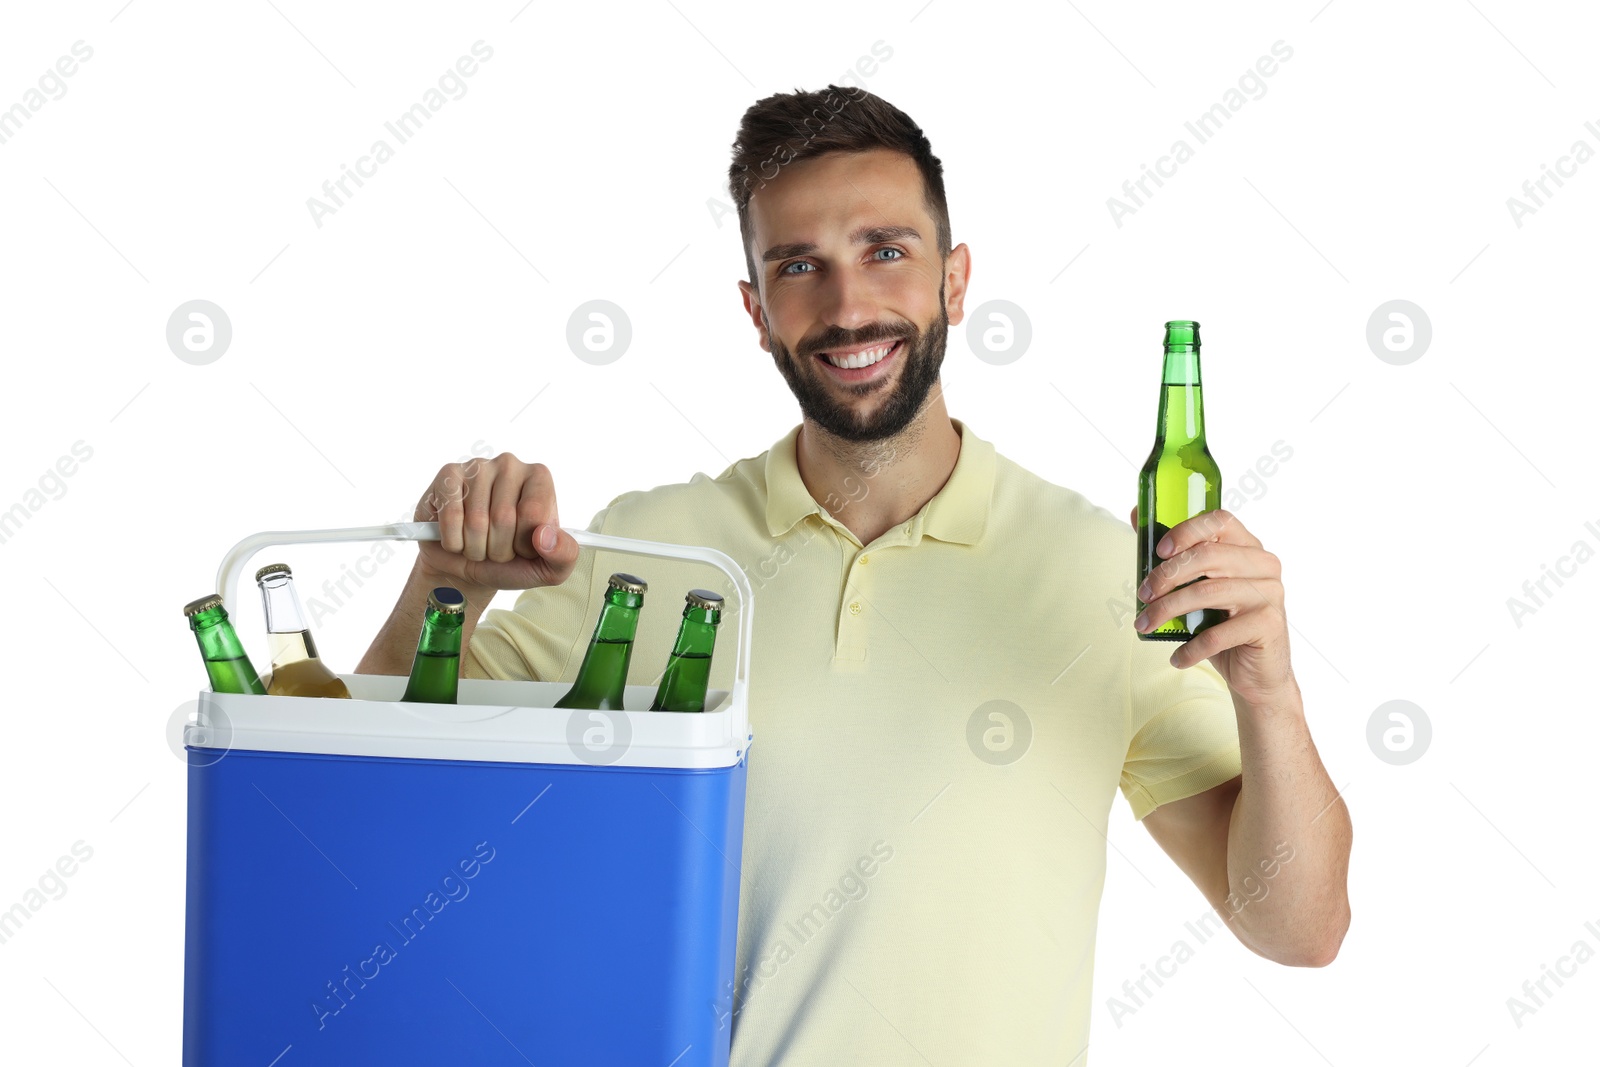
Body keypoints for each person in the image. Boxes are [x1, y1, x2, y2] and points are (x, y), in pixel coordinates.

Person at [359, 84, 1351, 1064]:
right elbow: (366, 820)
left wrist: (1270, 693)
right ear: (755, 309)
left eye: (886, 251)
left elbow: (1295, 929)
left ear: (955, 281)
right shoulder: (648, 549)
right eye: (800, 266)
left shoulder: (1097, 568)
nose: (847, 305)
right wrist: (445, 588)